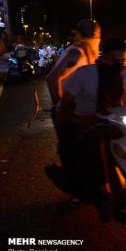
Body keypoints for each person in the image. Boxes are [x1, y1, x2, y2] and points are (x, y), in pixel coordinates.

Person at [59, 37, 126, 220]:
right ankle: (104, 193)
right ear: (103, 56)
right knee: (97, 146)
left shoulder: (123, 72)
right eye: (115, 61)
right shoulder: (84, 74)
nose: (119, 65)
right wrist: (79, 120)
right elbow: (65, 105)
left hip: (115, 121)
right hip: (89, 123)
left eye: (122, 61)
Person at [45, 19, 101, 205]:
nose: (100, 41)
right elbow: (53, 79)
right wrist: (61, 108)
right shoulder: (77, 53)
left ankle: (86, 189)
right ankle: (78, 194)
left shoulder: (83, 52)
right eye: (99, 37)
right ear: (93, 37)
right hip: (66, 114)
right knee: (74, 154)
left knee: (82, 151)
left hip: (74, 112)